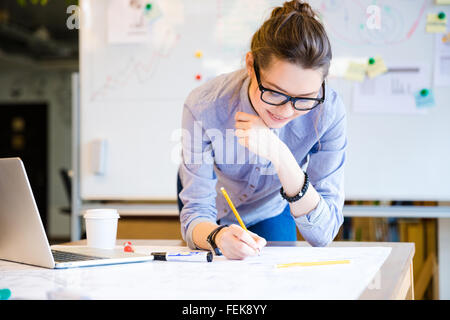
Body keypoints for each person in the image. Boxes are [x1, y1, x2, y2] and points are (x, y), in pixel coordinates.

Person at [178, 0, 347, 260]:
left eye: (305, 98)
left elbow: (323, 234)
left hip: (271, 204)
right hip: (212, 200)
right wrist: (217, 236)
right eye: (275, 93)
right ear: (250, 65)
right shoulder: (204, 106)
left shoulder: (328, 112)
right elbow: (197, 213)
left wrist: (279, 153)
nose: (287, 111)